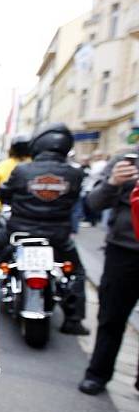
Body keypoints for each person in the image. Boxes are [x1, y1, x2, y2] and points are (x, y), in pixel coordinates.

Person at [0, 123, 88, 336]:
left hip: (19, 230)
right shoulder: (75, 173)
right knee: (77, 273)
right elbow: (78, 202)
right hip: (57, 236)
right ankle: (74, 320)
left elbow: (4, 194)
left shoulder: (23, 170)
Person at [78, 147, 139, 395]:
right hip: (124, 252)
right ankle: (98, 373)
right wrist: (114, 182)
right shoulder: (126, 160)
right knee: (111, 316)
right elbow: (93, 203)